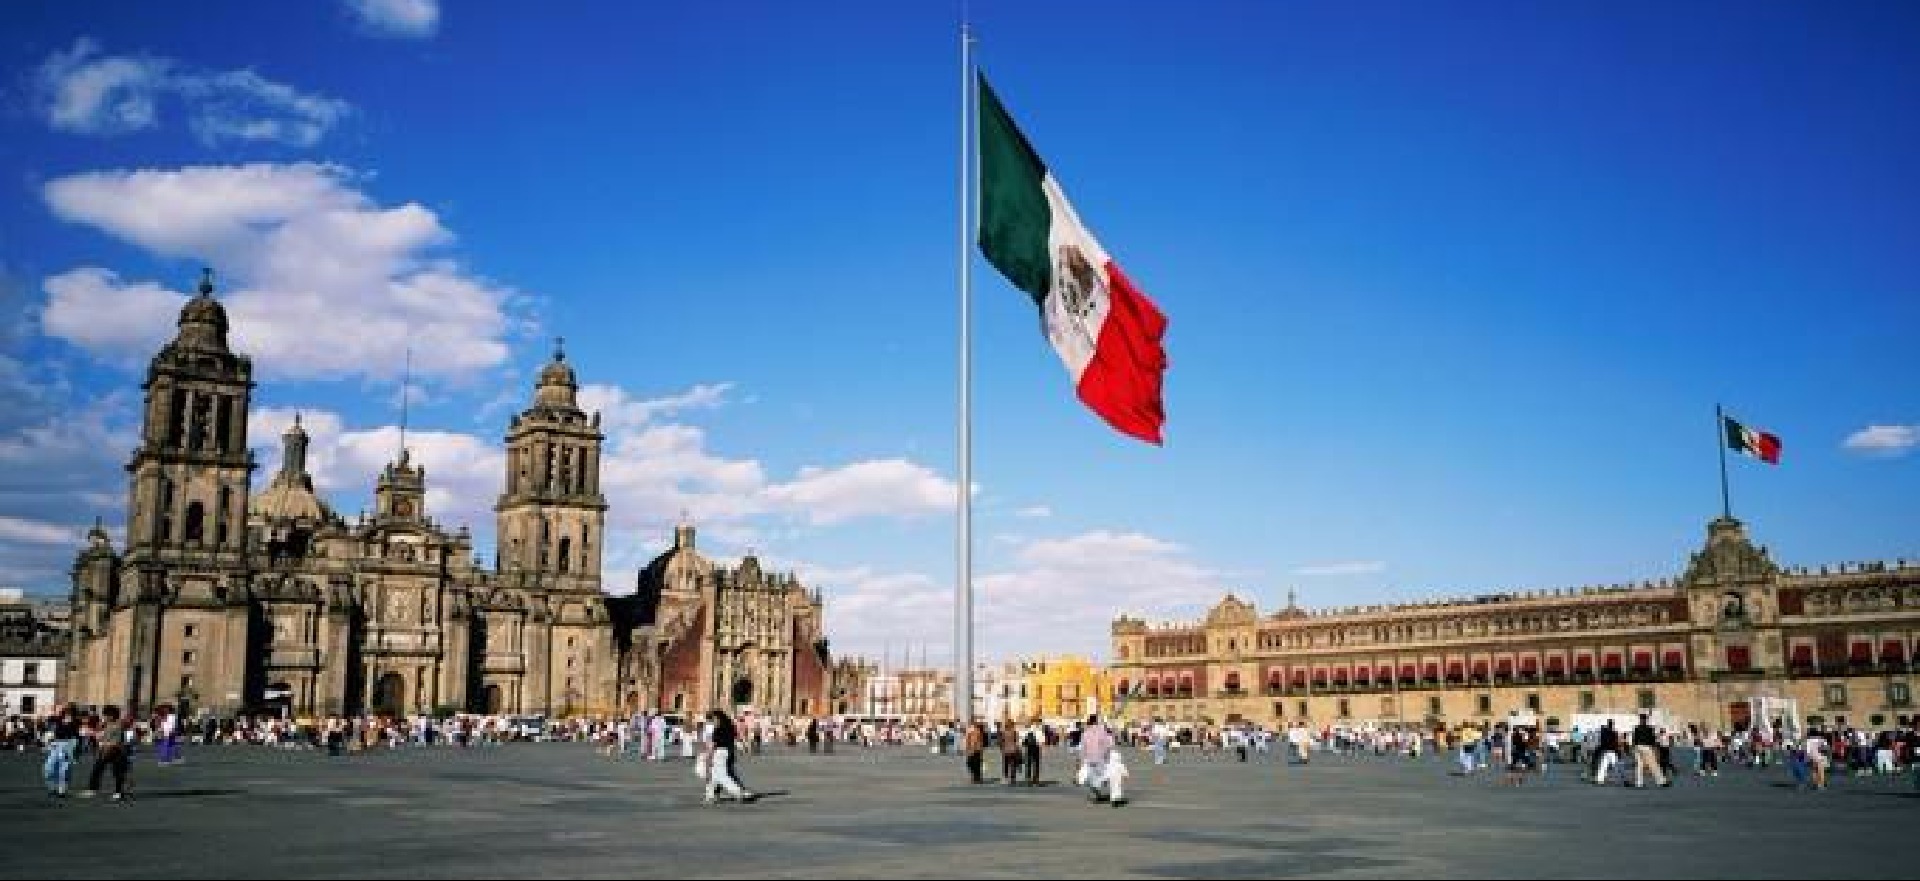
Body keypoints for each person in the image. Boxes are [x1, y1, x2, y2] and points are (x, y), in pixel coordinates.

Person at [701, 709, 756, 805]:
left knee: (722, 775)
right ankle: (710, 796)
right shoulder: (730, 727)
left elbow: (713, 745)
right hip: (729, 752)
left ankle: (739, 792)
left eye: (713, 719)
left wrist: (708, 757)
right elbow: (737, 739)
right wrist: (744, 748)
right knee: (715, 775)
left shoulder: (718, 730)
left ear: (718, 718)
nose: (713, 722)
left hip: (719, 753)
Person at [81, 705, 132, 801]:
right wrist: (96, 733)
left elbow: (117, 741)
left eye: (107, 715)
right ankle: (92, 789)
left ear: (112, 715)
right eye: (105, 715)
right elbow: (101, 737)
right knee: (97, 769)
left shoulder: (118, 726)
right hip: (105, 751)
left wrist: (104, 743)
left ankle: (118, 792)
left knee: (117, 772)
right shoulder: (106, 725)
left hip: (116, 752)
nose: (105, 717)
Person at [43, 704, 81, 799]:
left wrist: (75, 750)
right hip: (55, 744)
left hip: (69, 744)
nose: (67, 712)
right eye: (66, 710)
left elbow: (76, 736)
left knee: (64, 769)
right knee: (49, 767)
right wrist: (48, 744)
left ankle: (62, 790)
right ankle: (52, 788)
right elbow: (49, 728)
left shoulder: (76, 722)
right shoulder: (57, 719)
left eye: (69, 711)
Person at [999, 719, 1023, 785]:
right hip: (1013, 750)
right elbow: (1017, 742)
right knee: (1013, 765)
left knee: (1006, 765)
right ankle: (1012, 778)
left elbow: (1001, 742)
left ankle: (1005, 778)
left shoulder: (1003, 733)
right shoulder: (1015, 732)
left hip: (1006, 750)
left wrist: (1002, 749)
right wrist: (1018, 749)